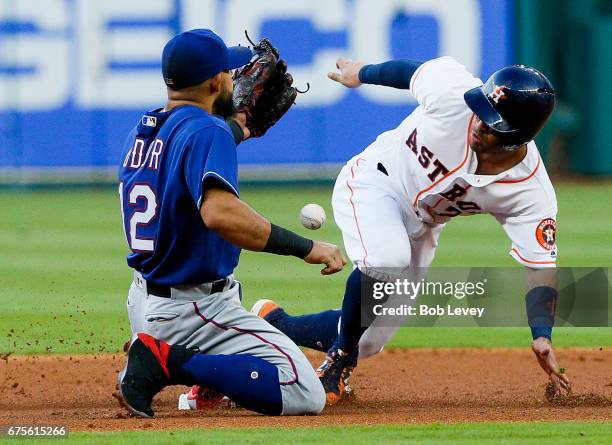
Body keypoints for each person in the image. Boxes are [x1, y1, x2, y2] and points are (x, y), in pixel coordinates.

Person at [252, 56, 571, 405]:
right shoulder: (453, 95)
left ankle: (271, 322)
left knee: (370, 339)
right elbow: (412, 73)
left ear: (517, 137)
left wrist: (542, 335)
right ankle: (339, 360)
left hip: (423, 228)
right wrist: (361, 73)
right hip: (376, 181)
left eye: (492, 122)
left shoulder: (530, 192)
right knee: (387, 259)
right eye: (481, 109)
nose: (479, 122)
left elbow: (541, 269)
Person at [116, 28, 346, 418]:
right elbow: (220, 214)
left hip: (146, 300)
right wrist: (307, 248)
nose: (237, 77)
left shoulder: (149, 127)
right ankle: (170, 361)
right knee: (304, 392)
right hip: (195, 309)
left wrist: (239, 129)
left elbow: (189, 149)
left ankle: (191, 359)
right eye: (228, 70)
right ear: (214, 81)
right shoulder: (206, 131)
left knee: (233, 311)